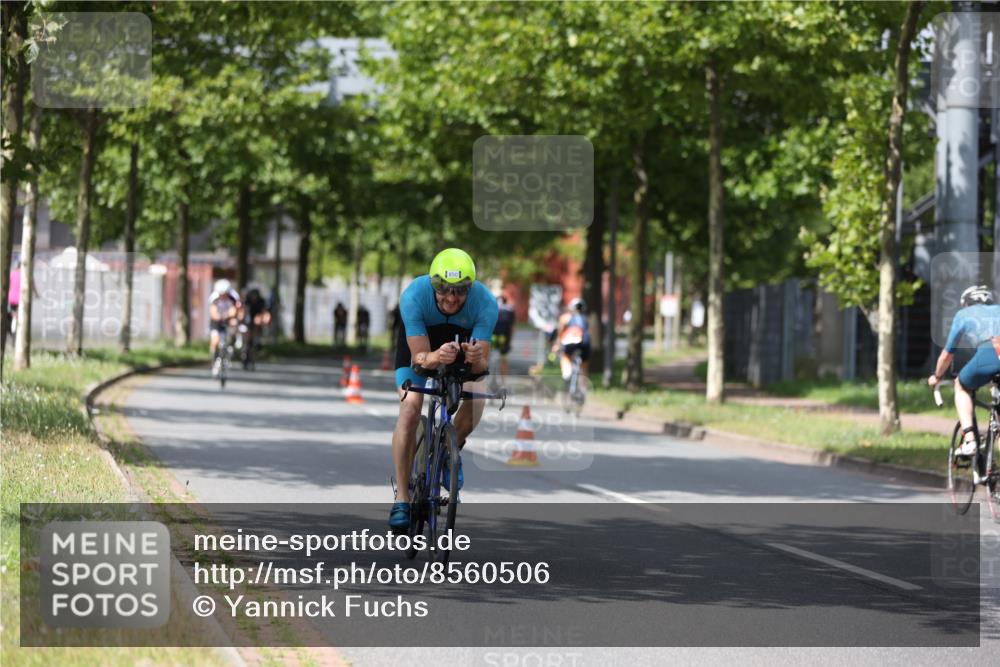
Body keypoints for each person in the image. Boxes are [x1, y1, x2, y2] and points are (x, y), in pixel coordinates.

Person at [388, 248, 498, 529]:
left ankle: (450, 453)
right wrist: (436, 357)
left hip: (463, 345)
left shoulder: (485, 302)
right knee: (410, 409)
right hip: (422, 347)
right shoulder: (414, 295)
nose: (451, 297)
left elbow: (481, 366)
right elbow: (420, 359)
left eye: (460, 291)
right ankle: (402, 497)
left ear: (470, 288)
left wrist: (474, 359)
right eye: (443, 289)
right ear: (433, 284)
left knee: (476, 400)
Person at [928, 285, 1000, 456]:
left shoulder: (963, 314)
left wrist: (937, 376)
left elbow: (947, 355)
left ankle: (970, 441)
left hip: (991, 350)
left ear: (966, 303)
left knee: (961, 385)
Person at [552, 297, 591, 381]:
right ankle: (583, 386)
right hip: (585, 343)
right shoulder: (587, 319)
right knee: (584, 365)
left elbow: (560, 333)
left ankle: (567, 372)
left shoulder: (566, 317)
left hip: (571, 342)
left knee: (565, 356)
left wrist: (557, 344)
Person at [209, 279, 241, 377]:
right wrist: (220, 317)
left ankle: (232, 346)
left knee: (234, 326)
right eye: (221, 294)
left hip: (228, 319)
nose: (223, 296)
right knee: (215, 341)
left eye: (225, 294)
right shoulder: (214, 298)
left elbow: (235, 310)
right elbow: (213, 313)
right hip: (216, 321)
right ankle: (214, 361)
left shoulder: (233, 297)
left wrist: (231, 317)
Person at [492, 295, 515, 381]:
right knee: (504, 358)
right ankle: (503, 381)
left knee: (487, 357)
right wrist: (510, 341)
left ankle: (486, 379)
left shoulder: (492, 307)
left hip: (492, 336)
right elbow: (512, 327)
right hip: (504, 338)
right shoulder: (510, 309)